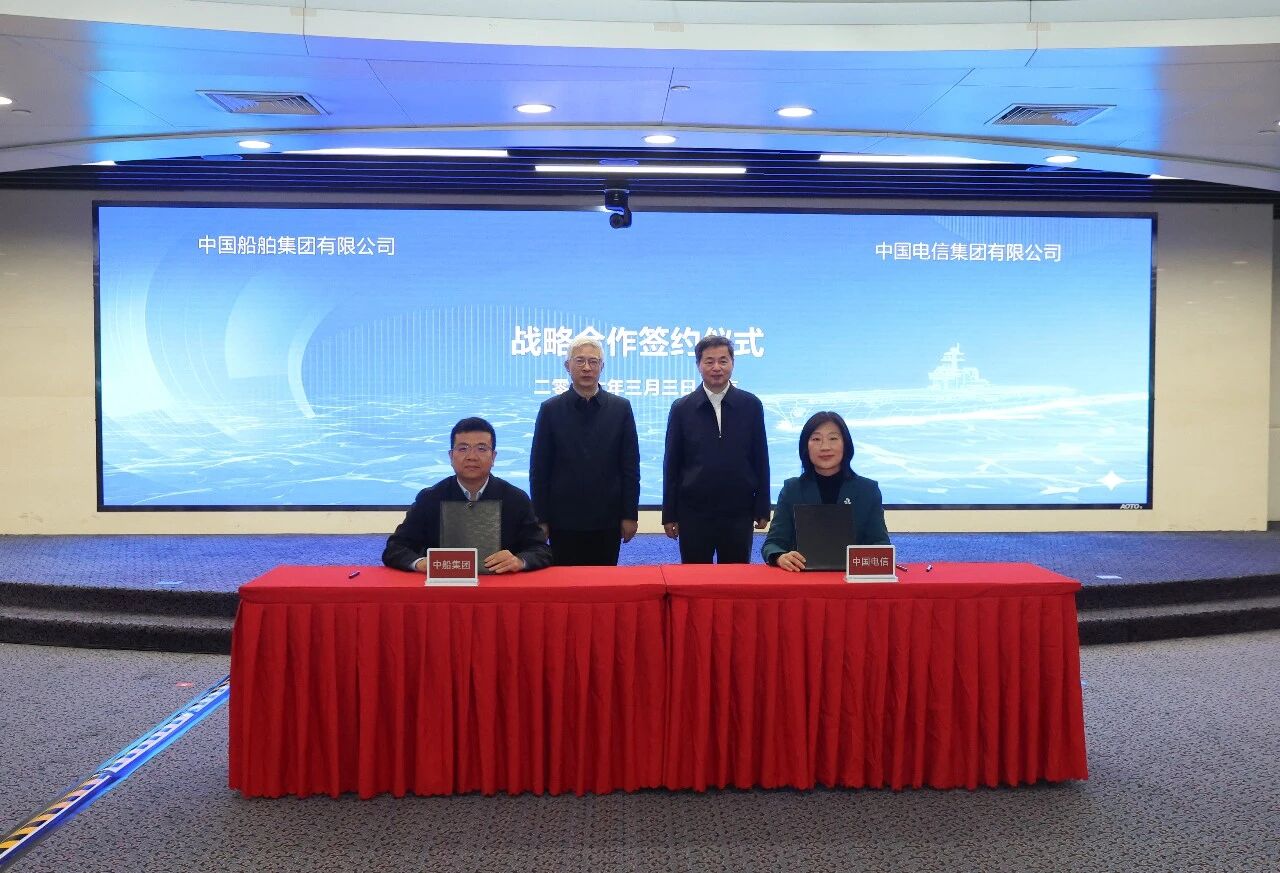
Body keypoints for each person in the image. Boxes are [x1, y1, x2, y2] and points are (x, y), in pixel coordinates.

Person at [383, 416, 551, 574]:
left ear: (493, 457)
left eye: (481, 449)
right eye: (463, 449)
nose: (472, 457)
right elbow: (395, 548)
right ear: (451, 456)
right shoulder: (430, 498)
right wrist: (421, 563)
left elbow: (541, 550)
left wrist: (519, 561)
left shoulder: (516, 499)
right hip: (444, 587)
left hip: (500, 585)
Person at [529, 335, 640, 565]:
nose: (587, 367)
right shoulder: (550, 409)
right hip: (563, 519)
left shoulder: (620, 408)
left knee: (604, 582)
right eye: (579, 361)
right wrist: (541, 518)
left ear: (602, 366)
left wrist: (629, 514)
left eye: (593, 361)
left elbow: (630, 467)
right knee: (565, 583)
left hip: (607, 518)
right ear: (567, 366)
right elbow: (539, 469)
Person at [662, 335, 770, 563]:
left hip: (738, 510)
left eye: (723, 361)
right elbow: (672, 464)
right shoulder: (682, 408)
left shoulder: (751, 405)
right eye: (709, 361)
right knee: (694, 577)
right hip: (694, 511)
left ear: (732, 363)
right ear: (698, 365)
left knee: (735, 577)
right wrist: (669, 513)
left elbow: (761, 458)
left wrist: (762, 505)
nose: (716, 367)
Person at [762, 411, 890, 571]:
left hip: (853, 578)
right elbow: (773, 544)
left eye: (833, 438)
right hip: (802, 576)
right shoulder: (792, 489)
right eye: (816, 439)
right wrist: (780, 557)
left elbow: (880, 543)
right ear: (805, 446)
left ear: (846, 444)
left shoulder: (867, 490)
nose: (825, 447)